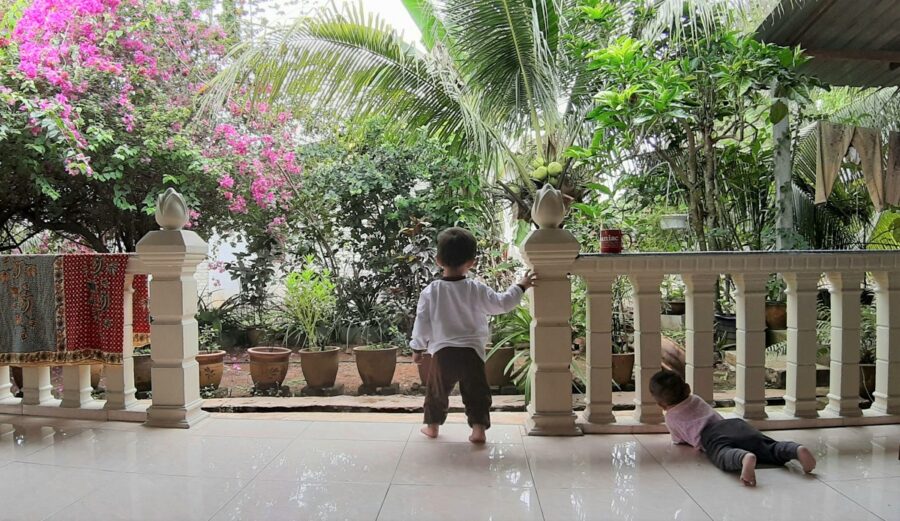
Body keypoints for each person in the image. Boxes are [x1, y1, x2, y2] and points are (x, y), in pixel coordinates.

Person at [411, 227, 536, 444]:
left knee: (436, 392)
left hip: (443, 353)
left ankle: (432, 427)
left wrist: (417, 348)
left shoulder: (431, 291)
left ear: (439, 260)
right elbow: (502, 303)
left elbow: (422, 321)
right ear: (471, 262)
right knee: (477, 393)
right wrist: (521, 286)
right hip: (472, 353)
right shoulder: (476, 289)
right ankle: (478, 430)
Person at [649, 369, 817, 486]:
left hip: (712, 437)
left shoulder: (671, 417)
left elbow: (679, 440)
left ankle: (743, 458)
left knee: (722, 455)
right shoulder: (696, 398)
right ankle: (795, 450)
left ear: (661, 404)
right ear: (687, 389)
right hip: (734, 424)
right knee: (769, 447)